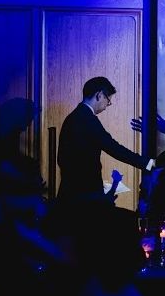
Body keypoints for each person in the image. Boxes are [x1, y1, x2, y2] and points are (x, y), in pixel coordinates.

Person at [57, 76, 153, 205]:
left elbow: (61, 158)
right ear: (99, 95)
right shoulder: (87, 119)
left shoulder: (72, 117)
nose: (107, 106)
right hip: (85, 195)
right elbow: (113, 147)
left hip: (70, 192)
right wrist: (148, 163)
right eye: (108, 101)